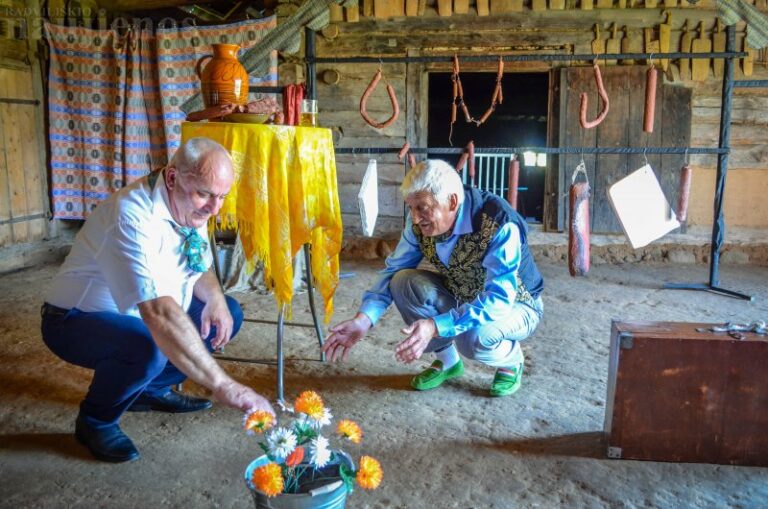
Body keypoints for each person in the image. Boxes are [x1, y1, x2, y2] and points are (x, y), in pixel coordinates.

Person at [41, 137, 274, 463]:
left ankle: (146, 391)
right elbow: (158, 313)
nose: (214, 207)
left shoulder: (191, 204)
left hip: (141, 317)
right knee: (147, 345)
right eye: (205, 194)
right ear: (173, 177)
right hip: (72, 319)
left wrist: (217, 298)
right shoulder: (130, 215)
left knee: (227, 313)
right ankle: (95, 420)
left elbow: (198, 265)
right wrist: (226, 386)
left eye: (221, 196)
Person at [322, 159, 544, 397]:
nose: (416, 219)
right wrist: (364, 319)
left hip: (516, 305)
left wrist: (436, 325)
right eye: (411, 208)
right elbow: (394, 268)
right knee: (403, 281)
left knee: (473, 337)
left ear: (452, 201)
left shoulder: (498, 222)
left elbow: (498, 299)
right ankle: (448, 362)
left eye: (423, 208)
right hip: (462, 294)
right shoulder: (419, 220)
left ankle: (511, 360)